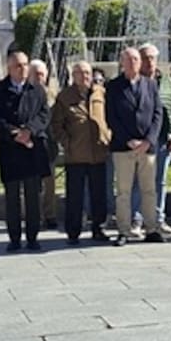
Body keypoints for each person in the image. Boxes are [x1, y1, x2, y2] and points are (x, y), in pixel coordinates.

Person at [0, 50, 51, 251]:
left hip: (32, 150)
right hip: (11, 151)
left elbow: (44, 115)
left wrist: (29, 131)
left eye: (25, 65)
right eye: (18, 65)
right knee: (12, 197)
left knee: (33, 196)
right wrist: (15, 134)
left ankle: (33, 237)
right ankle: (14, 238)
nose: (23, 69)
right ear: (9, 67)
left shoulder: (37, 90)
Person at [105, 47, 164, 245]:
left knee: (149, 190)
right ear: (122, 63)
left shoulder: (151, 84)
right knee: (124, 191)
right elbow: (111, 117)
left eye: (136, 60)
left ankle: (152, 229)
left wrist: (149, 140)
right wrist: (128, 140)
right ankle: (124, 230)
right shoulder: (113, 86)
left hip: (147, 147)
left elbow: (158, 114)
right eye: (128, 60)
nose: (133, 63)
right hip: (124, 147)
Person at [51, 60, 110, 246]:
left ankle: (99, 228)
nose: (84, 76)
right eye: (79, 73)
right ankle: (73, 231)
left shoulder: (100, 92)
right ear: (73, 75)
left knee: (99, 194)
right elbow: (56, 125)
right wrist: (67, 143)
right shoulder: (64, 96)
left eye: (86, 73)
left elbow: (110, 115)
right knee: (75, 196)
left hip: (98, 151)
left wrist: (108, 135)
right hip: (75, 154)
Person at [139, 43, 171, 236]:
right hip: (142, 141)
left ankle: (158, 218)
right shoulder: (136, 82)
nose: (148, 62)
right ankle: (138, 219)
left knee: (160, 181)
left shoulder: (168, 82)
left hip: (163, 139)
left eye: (152, 58)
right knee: (140, 182)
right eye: (144, 58)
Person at [28, 59, 60, 231]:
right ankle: (34, 215)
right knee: (32, 184)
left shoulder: (52, 96)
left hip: (49, 146)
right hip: (30, 146)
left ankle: (50, 215)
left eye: (42, 74)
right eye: (36, 74)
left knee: (49, 185)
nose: (39, 77)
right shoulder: (26, 94)